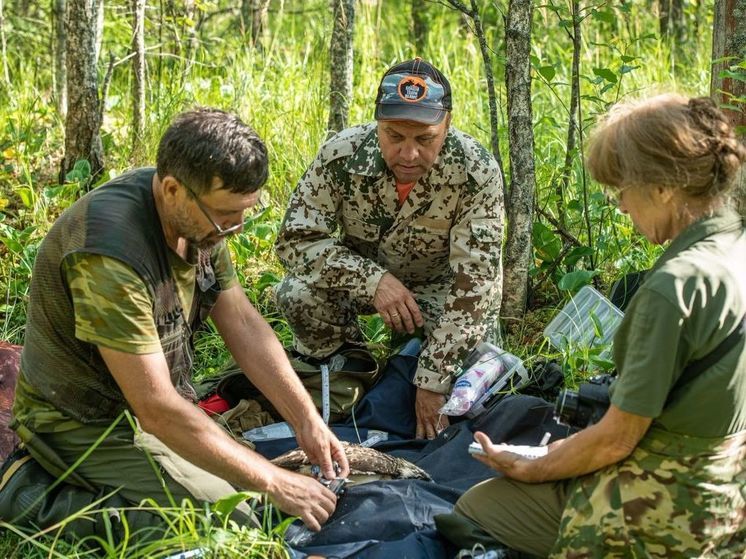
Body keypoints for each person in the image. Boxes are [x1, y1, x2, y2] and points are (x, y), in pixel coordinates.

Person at [7, 108, 349, 533]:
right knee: (226, 521)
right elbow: (155, 408)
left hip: (154, 405)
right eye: (226, 217)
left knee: (250, 493)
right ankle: (23, 492)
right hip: (84, 421)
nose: (236, 229)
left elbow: (241, 321)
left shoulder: (199, 219)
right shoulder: (109, 255)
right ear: (172, 189)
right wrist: (273, 482)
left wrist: (305, 419)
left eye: (244, 214)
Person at [437, 94, 746, 556]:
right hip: (731, 485)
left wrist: (534, 466)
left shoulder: (673, 287)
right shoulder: (734, 247)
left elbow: (616, 440)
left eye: (622, 189)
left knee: (476, 510)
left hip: (675, 503)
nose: (621, 207)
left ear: (662, 187)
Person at [274, 58, 504, 440]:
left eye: (425, 139)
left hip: (441, 291)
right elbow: (295, 240)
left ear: (447, 125)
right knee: (296, 295)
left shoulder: (476, 172)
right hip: (362, 281)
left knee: (474, 367)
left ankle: (416, 357)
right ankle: (352, 366)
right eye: (394, 137)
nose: (408, 155)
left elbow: (475, 285)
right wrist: (372, 281)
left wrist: (433, 380)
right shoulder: (342, 155)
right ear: (377, 125)